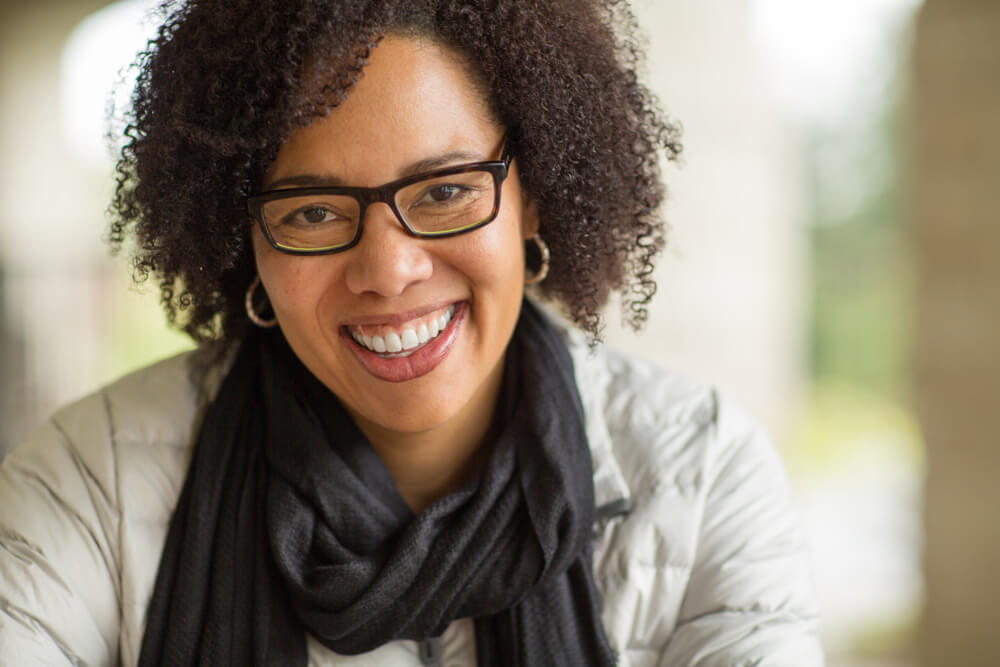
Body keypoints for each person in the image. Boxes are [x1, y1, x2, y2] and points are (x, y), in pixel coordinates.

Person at [0, 0, 822, 665]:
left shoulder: (705, 473)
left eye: (445, 191)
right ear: (244, 238)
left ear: (531, 194)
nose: (388, 270)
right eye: (314, 211)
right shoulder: (90, 483)